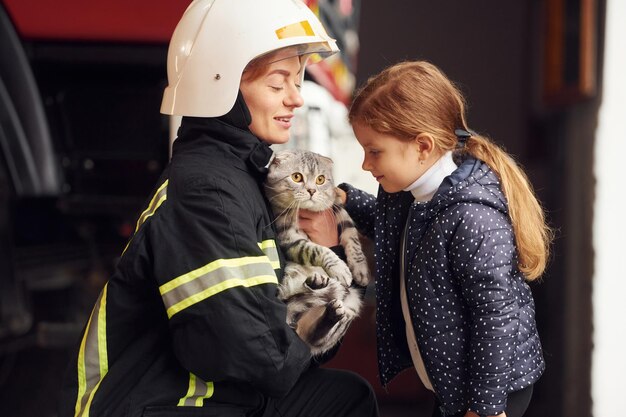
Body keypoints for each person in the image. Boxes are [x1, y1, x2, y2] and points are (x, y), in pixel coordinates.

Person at [57, 1, 378, 416]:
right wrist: (334, 280)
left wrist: (328, 261)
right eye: (279, 83)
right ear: (220, 84)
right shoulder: (209, 194)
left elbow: (288, 346)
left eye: (297, 80)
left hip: (207, 395)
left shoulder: (239, 179)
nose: (296, 98)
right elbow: (256, 358)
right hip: (157, 406)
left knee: (344, 398)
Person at [332, 60, 552, 417]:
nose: (365, 164)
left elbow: (494, 317)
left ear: (422, 145)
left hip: (489, 392)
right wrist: (345, 199)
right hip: (453, 384)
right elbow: (395, 232)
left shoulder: (471, 217)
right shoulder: (413, 194)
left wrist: (484, 407)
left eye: (374, 151)